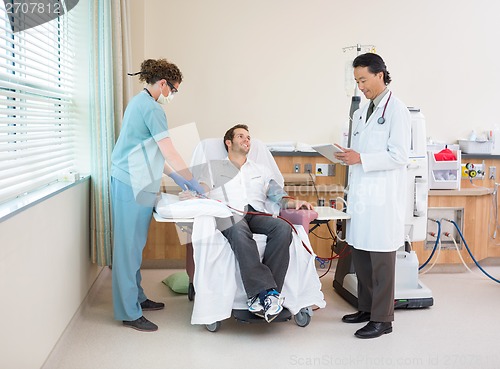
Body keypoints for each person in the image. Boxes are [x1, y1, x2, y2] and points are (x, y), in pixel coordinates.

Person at [110, 58, 203, 332]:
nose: (172, 95)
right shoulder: (151, 109)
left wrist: (176, 177)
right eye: (173, 89)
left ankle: (136, 298)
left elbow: (149, 151)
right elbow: (169, 151)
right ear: (163, 83)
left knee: (134, 245)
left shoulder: (140, 103)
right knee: (128, 248)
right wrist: (193, 181)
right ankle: (129, 312)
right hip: (131, 181)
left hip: (136, 179)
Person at [187, 124, 314, 322]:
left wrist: (293, 202)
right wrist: (197, 193)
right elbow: (203, 187)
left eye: (248, 137)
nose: (247, 140)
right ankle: (261, 293)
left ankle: (269, 295)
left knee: (282, 228)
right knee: (238, 230)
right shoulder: (213, 167)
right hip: (227, 213)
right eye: (241, 136)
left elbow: (275, 194)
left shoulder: (260, 170)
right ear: (229, 142)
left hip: (255, 212)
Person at [334, 53, 410, 339]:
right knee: (362, 255)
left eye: (363, 80)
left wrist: (362, 158)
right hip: (363, 197)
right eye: (357, 81)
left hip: (382, 199)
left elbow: (399, 156)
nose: (360, 86)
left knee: (380, 261)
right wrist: (349, 157)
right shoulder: (363, 110)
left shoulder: (396, 110)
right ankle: (366, 308)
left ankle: (383, 319)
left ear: (380, 75)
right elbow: (361, 154)